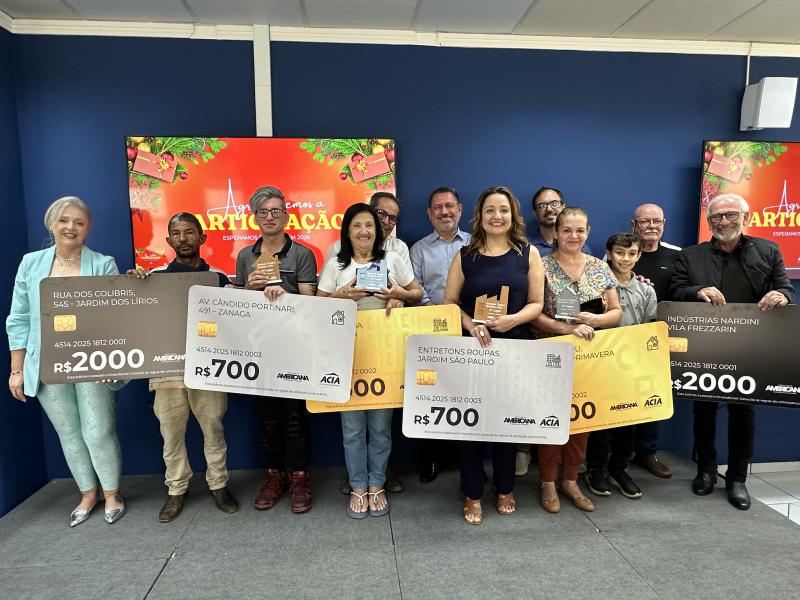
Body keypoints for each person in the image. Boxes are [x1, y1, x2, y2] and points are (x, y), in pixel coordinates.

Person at [6, 196, 126, 526]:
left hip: (93, 361)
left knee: (98, 430)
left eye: (79, 222)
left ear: (88, 229)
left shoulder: (103, 264)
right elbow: (19, 318)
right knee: (69, 432)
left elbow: (117, 315)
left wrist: (113, 361)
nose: (71, 227)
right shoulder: (30, 264)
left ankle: (112, 493)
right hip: (46, 362)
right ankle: (88, 494)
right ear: (51, 223)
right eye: (64, 220)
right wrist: (17, 369)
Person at [670, 193, 793, 510]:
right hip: (706, 345)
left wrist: (781, 294)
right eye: (716, 217)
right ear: (708, 221)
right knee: (703, 411)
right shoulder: (690, 255)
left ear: (745, 217)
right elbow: (675, 291)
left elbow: (785, 287)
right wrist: (698, 290)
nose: (723, 221)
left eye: (730, 215)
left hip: (749, 347)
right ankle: (705, 470)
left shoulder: (769, 249)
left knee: (744, 414)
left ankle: (737, 478)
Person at [443, 186, 544, 525]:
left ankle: (505, 487)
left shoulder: (528, 253)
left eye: (503, 210)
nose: (496, 216)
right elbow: (449, 303)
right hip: (473, 348)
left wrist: (513, 319)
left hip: (514, 347)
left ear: (513, 215)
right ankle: (472, 493)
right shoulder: (464, 255)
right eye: (490, 210)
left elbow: (537, 303)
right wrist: (471, 325)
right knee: (469, 423)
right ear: (480, 216)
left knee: (507, 424)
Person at [317, 203, 423, 519]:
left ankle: (377, 484)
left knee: (380, 427)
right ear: (347, 232)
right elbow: (318, 305)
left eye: (369, 225)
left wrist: (399, 294)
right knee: (351, 428)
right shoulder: (336, 264)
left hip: (384, 354)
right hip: (346, 354)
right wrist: (340, 297)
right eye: (357, 226)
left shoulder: (392, 260)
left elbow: (417, 293)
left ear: (377, 231)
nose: (364, 231)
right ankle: (357, 486)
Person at [145, 212, 239, 522]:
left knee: (213, 428)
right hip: (167, 368)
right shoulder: (152, 278)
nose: (183, 238)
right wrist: (134, 285)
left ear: (202, 238)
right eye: (176, 233)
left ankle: (219, 484)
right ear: (168, 240)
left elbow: (235, 321)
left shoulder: (219, 278)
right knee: (171, 433)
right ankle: (176, 489)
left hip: (209, 367)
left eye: (189, 232)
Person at [532, 206, 621, 514]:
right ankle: (547, 482)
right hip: (551, 355)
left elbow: (616, 312)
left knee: (582, 421)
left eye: (580, 230)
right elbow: (534, 314)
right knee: (550, 420)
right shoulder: (541, 266)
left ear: (588, 233)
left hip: (589, 357)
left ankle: (570, 481)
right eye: (567, 230)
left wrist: (596, 321)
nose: (573, 236)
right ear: (555, 233)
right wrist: (567, 329)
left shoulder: (599, 266)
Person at [236, 186, 318, 513]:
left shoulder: (303, 254)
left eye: (276, 211)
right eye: (263, 212)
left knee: (296, 418)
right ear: (254, 218)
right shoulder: (245, 256)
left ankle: (299, 477)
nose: (269, 217)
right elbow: (238, 306)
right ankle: (273, 476)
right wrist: (249, 287)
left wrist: (284, 294)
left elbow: (311, 302)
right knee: (267, 419)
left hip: (296, 348)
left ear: (286, 216)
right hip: (259, 349)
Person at [518, 186, 593, 477]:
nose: (549, 208)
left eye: (554, 203)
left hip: (578, 342)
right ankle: (527, 451)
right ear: (535, 212)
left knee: (575, 400)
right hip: (540, 336)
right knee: (534, 400)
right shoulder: (527, 247)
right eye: (542, 205)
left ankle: (568, 464)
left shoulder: (587, 253)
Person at [585, 233, 656, 500]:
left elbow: (650, 326)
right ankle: (596, 468)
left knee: (628, 420)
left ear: (639, 255)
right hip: (601, 361)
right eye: (619, 253)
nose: (625, 259)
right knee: (600, 420)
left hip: (632, 364)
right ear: (608, 253)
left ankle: (620, 468)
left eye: (631, 254)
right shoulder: (595, 285)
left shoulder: (646, 290)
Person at [409, 186, 471, 483]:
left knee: (469, 395)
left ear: (460, 209)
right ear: (429, 214)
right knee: (429, 394)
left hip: (472, 330)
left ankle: (468, 460)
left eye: (449, 206)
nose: (444, 212)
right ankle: (430, 459)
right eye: (438, 207)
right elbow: (415, 288)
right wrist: (437, 314)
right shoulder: (419, 249)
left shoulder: (475, 244)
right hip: (432, 330)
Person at [628, 203, 681, 478]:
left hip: (661, 339)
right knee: (622, 396)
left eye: (656, 221)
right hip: (626, 338)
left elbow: (684, 291)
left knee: (654, 396)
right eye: (644, 221)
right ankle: (620, 454)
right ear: (633, 225)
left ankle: (647, 452)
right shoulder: (622, 252)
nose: (651, 226)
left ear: (664, 224)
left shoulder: (677, 255)